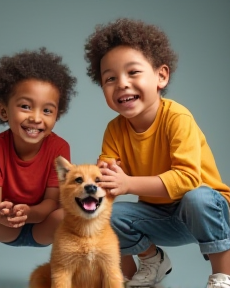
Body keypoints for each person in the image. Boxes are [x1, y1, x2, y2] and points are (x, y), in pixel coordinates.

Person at [84, 18, 230, 288]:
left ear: (161, 76)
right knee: (102, 211)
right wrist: (98, 184)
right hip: (158, 216)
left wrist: (127, 183)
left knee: (198, 198)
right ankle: (150, 261)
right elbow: (107, 183)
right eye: (110, 78)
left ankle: (222, 275)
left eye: (133, 72)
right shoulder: (114, 130)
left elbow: (187, 180)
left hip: (204, 211)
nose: (122, 84)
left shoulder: (177, 118)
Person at [0, 48, 77, 288]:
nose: (36, 118)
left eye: (47, 110)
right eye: (26, 106)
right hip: (6, 226)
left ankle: (70, 280)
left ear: (56, 116)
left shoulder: (59, 148)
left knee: (70, 215)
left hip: (43, 226)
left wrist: (29, 213)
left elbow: (52, 202)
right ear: (3, 111)